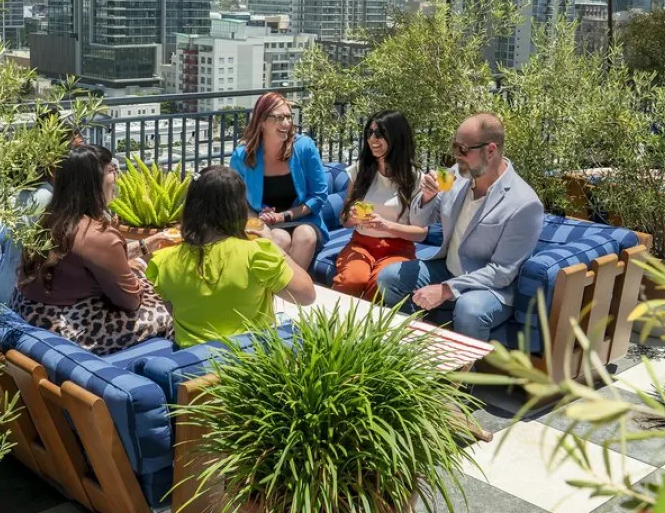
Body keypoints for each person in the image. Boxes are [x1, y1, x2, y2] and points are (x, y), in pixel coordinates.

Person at [376, 113, 544, 341]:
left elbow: (502, 273)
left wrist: (446, 289)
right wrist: (426, 197)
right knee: (389, 278)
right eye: (455, 146)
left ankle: (466, 376)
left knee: (469, 309)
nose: (456, 155)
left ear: (491, 150)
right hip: (448, 267)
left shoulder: (524, 203)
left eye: (463, 150)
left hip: (490, 288)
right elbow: (419, 222)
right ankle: (418, 352)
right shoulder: (457, 175)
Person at [12, 145, 172, 354]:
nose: (116, 176)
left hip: (31, 313)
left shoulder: (52, 219)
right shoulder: (99, 235)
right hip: (70, 327)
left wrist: (144, 245)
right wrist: (138, 277)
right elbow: (130, 301)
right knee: (172, 308)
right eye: (111, 170)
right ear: (93, 183)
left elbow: (86, 259)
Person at [146, 166, 315, 346]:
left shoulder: (162, 261)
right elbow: (307, 296)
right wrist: (275, 247)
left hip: (193, 364)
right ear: (238, 207)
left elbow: (176, 312)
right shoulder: (257, 253)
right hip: (250, 361)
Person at [0, 109, 84, 305]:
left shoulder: (28, 191)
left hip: (4, 287)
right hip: (19, 298)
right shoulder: (47, 199)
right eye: (77, 151)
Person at [230, 93, 328, 270]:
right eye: (279, 118)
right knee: (278, 239)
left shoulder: (304, 147)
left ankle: (295, 294)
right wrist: (258, 218)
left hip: (304, 218)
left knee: (305, 236)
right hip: (266, 222)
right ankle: (273, 294)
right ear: (261, 122)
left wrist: (284, 215)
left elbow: (319, 195)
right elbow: (237, 201)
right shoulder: (242, 156)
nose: (286, 123)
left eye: (289, 117)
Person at [332, 111, 423, 300]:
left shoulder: (415, 178)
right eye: (369, 133)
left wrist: (386, 225)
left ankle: (366, 329)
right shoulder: (360, 170)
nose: (373, 139)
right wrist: (351, 216)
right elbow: (344, 220)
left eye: (380, 134)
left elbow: (421, 232)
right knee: (352, 280)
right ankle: (333, 327)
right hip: (361, 245)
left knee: (380, 285)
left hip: (398, 249)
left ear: (396, 137)